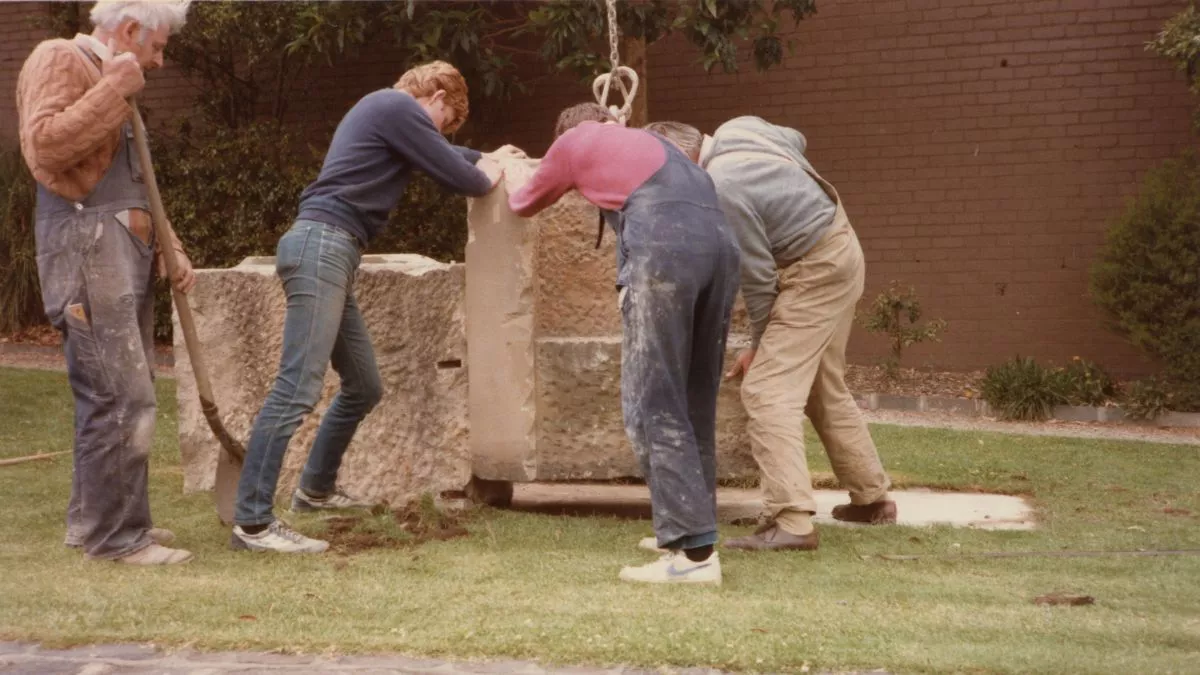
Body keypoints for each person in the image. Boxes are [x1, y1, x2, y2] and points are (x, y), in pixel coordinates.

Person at [229, 61, 503, 554]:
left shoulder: (387, 113)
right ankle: (252, 524)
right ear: (438, 98)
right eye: (444, 123)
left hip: (330, 250)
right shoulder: (395, 105)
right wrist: (490, 171)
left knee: (363, 385)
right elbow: (464, 179)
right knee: (297, 387)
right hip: (322, 248)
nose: (439, 135)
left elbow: (443, 153)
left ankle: (314, 491)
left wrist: (487, 154)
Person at [509, 104, 740, 584]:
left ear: (567, 131)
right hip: (721, 246)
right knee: (694, 399)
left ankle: (693, 557)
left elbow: (522, 202)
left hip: (666, 249)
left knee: (653, 401)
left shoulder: (574, 141)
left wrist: (507, 166)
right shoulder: (653, 144)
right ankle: (691, 527)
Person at [645, 117, 896, 551]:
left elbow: (759, 278)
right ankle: (872, 498)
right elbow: (797, 138)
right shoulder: (740, 128)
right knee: (821, 385)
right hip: (840, 246)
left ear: (679, 157)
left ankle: (791, 521)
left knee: (767, 391)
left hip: (814, 270)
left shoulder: (722, 186)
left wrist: (760, 346)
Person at [16, 0, 196, 565]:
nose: (159, 61)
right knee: (119, 395)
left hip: (122, 251)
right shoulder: (59, 57)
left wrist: (169, 245)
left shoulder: (115, 79)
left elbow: (138, 182)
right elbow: (44, 146)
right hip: (87, 246)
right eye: (156, 47)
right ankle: (116, 539)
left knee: (123, 389)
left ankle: (100, 522)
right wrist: (113, 88)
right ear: (131, 29)